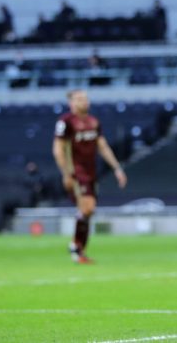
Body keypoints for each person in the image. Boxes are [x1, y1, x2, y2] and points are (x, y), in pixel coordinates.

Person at [52, 90, 127, 264]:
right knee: (87, 208)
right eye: (79, 99)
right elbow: (58, 149)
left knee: (88, 211)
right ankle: (76, 246)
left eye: (85, 98)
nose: (84, 101)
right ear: (71, 103)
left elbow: (103, 146)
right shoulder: (65, 122)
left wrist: (117, 168)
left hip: (91, 171)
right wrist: (66, 173)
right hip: (76, 172)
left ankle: (78, 248)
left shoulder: (94, 122)